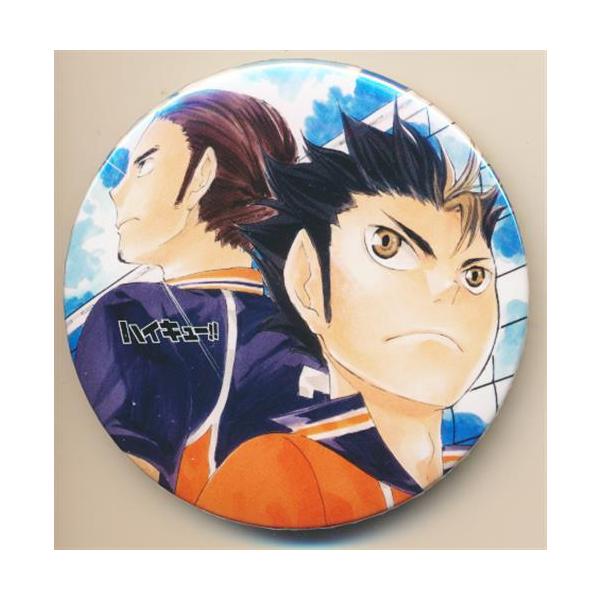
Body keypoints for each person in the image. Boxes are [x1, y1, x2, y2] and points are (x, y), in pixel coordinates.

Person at [196, 109, 504, 528]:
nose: (445, 288)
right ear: (307, 279)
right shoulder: (280, 469)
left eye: (474, 275)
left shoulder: (472, 473)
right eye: (388, 244)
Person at [74, 90, 323, 503]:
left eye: (144, 165)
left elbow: (118, 497)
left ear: (201, 175)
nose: (116, 192)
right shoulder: (318, 334)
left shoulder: (133, 313)